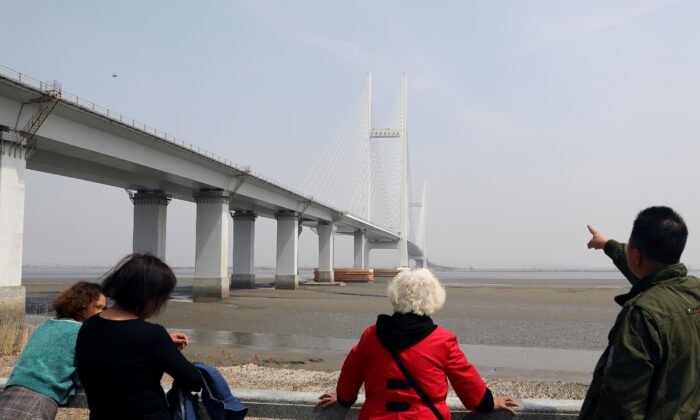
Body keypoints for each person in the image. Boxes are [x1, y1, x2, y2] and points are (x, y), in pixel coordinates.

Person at [317, 268, 519, 419]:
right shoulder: (443, 340)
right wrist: (492, 402)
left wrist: (341, 398)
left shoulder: (371, 336)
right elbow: (472, 393)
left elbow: (348, 385)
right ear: (435, 298)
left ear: (394, 296)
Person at [582, 206, 700, 419]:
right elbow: (651, 279)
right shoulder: (693, 291)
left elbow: (623, 404)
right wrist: (607, 244)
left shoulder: (641, 315)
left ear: (636, 257)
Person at [76, 254, 202, 420]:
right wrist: (165, 349)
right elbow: (193, 379)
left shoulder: (89, 326)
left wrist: (162, 347)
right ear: (149, 296)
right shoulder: (152, 335)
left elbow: (119, 351)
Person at [0, 281, 106, 420]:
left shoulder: (46, 325)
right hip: (39, 402)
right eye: (98, 307)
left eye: (104, 309)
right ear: (82, 304)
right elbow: (85, 378)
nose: (101, 313)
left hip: (10, 393)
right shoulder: (83, 333)